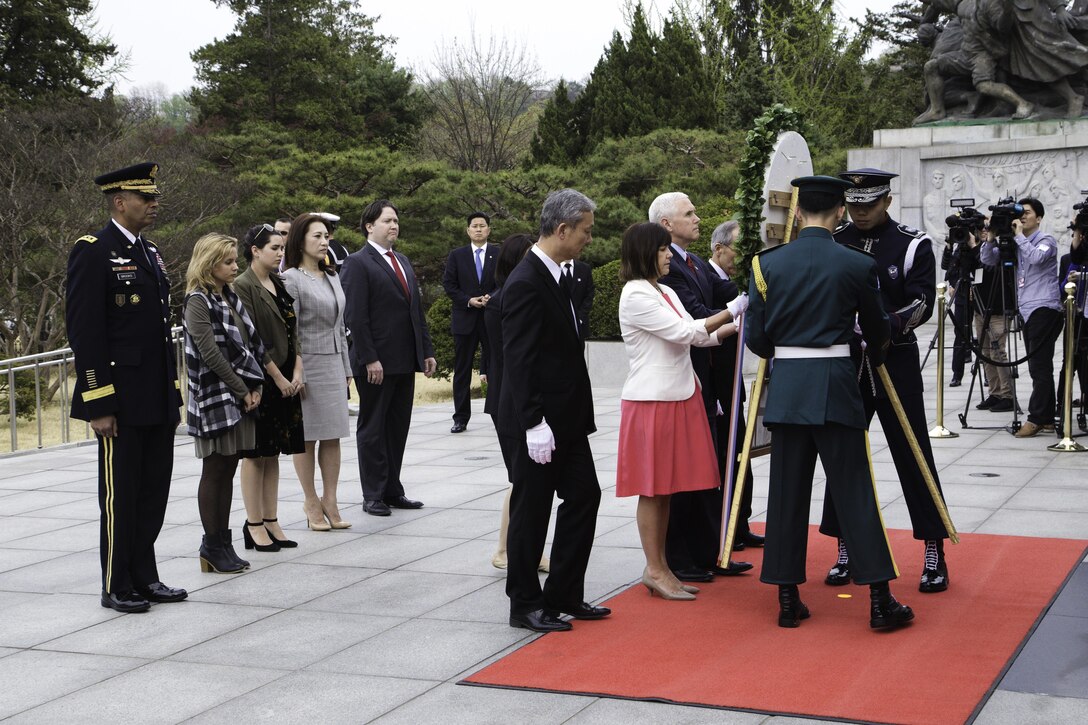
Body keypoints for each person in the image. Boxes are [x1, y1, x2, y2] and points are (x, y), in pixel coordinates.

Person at [746, 174, 913, 630]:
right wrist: (873, 353)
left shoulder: (766, 264)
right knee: (855, 491)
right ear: (840, 211)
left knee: (785, 493)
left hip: (789, 389)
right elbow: (877, 331)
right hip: (837, 384)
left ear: (798, 212)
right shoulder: (855, 263)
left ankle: (786, 597)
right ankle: (879, 598)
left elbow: (759, 341)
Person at [66, 162, 187, 613]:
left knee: (153, 490)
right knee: (122, 493)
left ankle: (145, 575)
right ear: (120, 202)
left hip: (155, 394)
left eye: (154, 197)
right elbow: (86, 334)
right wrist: (99, 402)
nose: (154, 204)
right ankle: (117, 583)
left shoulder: (149, 252)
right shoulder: (94, 251)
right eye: (145, 198)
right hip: (119, 399)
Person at [829, 168, 951, 595]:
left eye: (869, 205)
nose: (861, 213)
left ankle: (933, 548)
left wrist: (886, 324)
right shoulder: (835, 240)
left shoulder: (912, 243)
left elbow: (922, 303)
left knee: (913, 449)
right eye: (855, 205)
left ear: (887, 201)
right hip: (846, 361)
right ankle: (845, 547)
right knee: (843, 453)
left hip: (894, 357)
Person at [499, 188, 607, 633]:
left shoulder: (559, 273)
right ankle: (524, 602)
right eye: (584, 232)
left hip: (565, 418)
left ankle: (564, 593)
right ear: (562, 230)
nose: (588, 240)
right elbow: (519, 359)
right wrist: (533, 422)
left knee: (585, 495)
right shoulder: (525, 281)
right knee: (533, 508)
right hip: (538, 420)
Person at [617, 222, 740, 601]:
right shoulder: (635, 295)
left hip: (678, 394)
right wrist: (733, 308)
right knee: (653, 490)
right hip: (653, 400)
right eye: (663, 250)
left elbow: (699, 334)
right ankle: (655, 569)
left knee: (667, 490)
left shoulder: (664, 290)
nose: (670, 255)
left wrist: (737, 322)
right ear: (645, 253)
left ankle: (663, 567)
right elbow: (684, 333)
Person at [650, 192, 752, 584]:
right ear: (666, 225)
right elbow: (698, 315)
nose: (697, 218)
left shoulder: (692, 260)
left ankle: (711, 550)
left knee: (709, 469)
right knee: (687, 474)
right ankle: (683, 556)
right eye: (688, 213)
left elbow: (726, 292)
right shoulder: (669, 266)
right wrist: (738, 309)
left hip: (706, 380)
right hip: (683, 381)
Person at [341, 200, 437, 516]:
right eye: (387, 220)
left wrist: (426, 351)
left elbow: (415, 313)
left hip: (403, 360)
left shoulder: (403, 261)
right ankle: (373, 494)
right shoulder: (357, 263)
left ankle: (393, 489)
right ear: (370, 226)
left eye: (396, 220)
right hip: (375, 363)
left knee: (397, 427)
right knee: (373, 428)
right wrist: (369, 358)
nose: (394, 225)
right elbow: (356, 315)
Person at [183, 233, 265, 574]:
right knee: (214, 470)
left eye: (235, 260)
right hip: (215, 396)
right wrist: (241, 388)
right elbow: (210, 353)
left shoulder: (229, 295)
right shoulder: (197, 301)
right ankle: (211, 544)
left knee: (228, 469)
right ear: (208, 264)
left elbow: (248, 344)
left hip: (239, 393)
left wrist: (254, 384)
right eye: (228, 261)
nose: (235, 267)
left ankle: (223, 543)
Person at [235, 224, 305, 551]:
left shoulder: (278, 281)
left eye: (281, 247)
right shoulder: (242, 285)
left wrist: (298, 368)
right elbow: (251, 339)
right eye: (274, 248)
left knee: (274, 451)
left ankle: (271, 518)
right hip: (263, 379)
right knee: (255, 452)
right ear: (255, 250)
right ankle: (253, 523)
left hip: (288, 376)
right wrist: (277, 377)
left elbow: (294, 328)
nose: (280, 253)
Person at [282, 214, 353, 530]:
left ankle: (331, 499)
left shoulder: (332, 276)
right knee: (308, 437)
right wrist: (298, 371)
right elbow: (290, 330)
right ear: (300, 241)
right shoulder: (291, 279)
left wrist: (347, 367)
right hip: (307, 363)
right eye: (317, 236)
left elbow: (340, 328)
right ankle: (310, 500)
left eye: (327, 236)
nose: (325, 241)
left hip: (334, 362)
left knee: (333, 434)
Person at [484, 233, 548, 573]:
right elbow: (505, 358)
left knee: (524, 479)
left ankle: (518, 548)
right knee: (521, 479)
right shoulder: (502, 301)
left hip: (521, 397)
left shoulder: (520, 294)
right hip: (508, 400)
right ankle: (505, 550)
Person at [980, 197, 1064, 438]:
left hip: (1045, 308)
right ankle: (1047, 417)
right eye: (1020, 213)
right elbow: (987, 260)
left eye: (1027, 213)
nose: (1023, 217)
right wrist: (993, 236)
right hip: (1027, 310)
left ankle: (1037, 418)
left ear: (1039, 218)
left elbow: (1037, 258)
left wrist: (1018, 236)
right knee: (1040, 366)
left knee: (1038, 367)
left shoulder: (1046, 240)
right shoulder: (1016, 242)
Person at [708, 221, 764, 553]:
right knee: (724, 459)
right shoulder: (713, 281)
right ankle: (725, 527)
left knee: (740, 456)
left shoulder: (729, 280)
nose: (743, 259)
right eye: (739, 251)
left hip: (733, 385)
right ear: (720, 248)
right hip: (716, 388)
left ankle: (740, 523)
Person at [442, 211, 497, 433]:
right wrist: (468, 301)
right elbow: (449, 284)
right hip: (465, 319)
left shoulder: (497, 253)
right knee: (462, 370)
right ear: (467, 230)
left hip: (491, 318)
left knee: (495, 367)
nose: (478, 229)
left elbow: (505, 280)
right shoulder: (457, 255)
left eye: (482, 226)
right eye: (474, 226)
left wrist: (491, 297)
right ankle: (461, 417)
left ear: (489, 230)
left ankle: (498, 412)